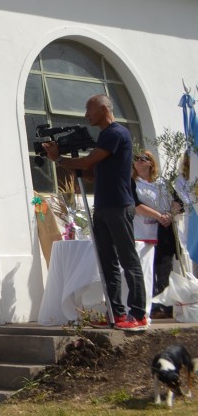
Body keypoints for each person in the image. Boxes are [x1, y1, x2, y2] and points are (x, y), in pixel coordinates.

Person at [45, 94, 146, 330]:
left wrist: (59, 158)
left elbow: (89, 161)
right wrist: (69, 162)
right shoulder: (105, 136)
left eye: (89, 109)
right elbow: (92, 172)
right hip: (102, 206)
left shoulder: (115, 133)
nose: (85, 115)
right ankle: (116, 314)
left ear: (103, 109)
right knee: (107, 261)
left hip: (119, 206)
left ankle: (138, 314)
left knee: (128, 260)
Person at [132, 150, 171, 319]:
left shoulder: (162, 183)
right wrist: (159, 216)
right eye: (137, 159)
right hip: (142, 232)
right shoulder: (132, 182)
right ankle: (150, 306)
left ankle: (166, 305)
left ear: (151, 163)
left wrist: (170, 214)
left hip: (163, 232)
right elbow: (136, 205)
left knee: (164, 270)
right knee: (147, 269)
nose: (139, 161)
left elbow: (176, 201)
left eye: (144, 159)